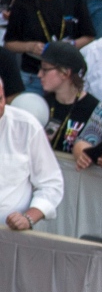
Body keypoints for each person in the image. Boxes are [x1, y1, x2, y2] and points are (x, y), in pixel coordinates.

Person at [0, 94, 63, 232]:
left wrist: (27, 219)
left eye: (0, 99)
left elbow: (51, 184)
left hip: (11, 235)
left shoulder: (26, 126)